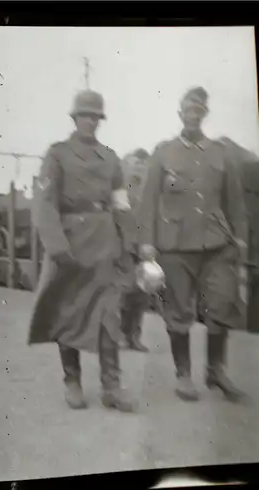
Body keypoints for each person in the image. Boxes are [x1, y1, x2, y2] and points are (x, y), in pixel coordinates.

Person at [28, 89, 136, 412]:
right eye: (85, 115)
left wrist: (129, 242)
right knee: (68, 312)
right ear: (74, 118)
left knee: (109, 314)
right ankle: (72, 380)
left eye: (95, 116)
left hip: (105, 244)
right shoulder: (57, 154)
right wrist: (57, 247)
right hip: (70, 244)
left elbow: (121, 204)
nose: (90, 121)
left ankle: (111, 387)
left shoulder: (111, 158)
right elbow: (44, 204)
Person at [137, 87, 248, 402]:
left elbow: (235, 203)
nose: (193, 116)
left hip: (216, 243)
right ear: (180, 114)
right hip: (174, 246)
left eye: (199, 111)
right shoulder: (164, 153)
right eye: (188, 111)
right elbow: (147, 202)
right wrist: (146, 242)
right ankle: (183, 374)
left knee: (221, 304)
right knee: (179, 310)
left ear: (204, 115)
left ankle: (215, 370)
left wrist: (239, 239)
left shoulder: (220, 153)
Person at [119, 148, 150, 351]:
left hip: (146, 251)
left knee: (142, 296)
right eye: (134, 166)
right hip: (124, 250)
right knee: (124, 294)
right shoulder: (119, 194)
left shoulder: (150, 196)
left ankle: (135, 336)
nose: (137, 170)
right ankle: (121, 335)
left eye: (141, 166)